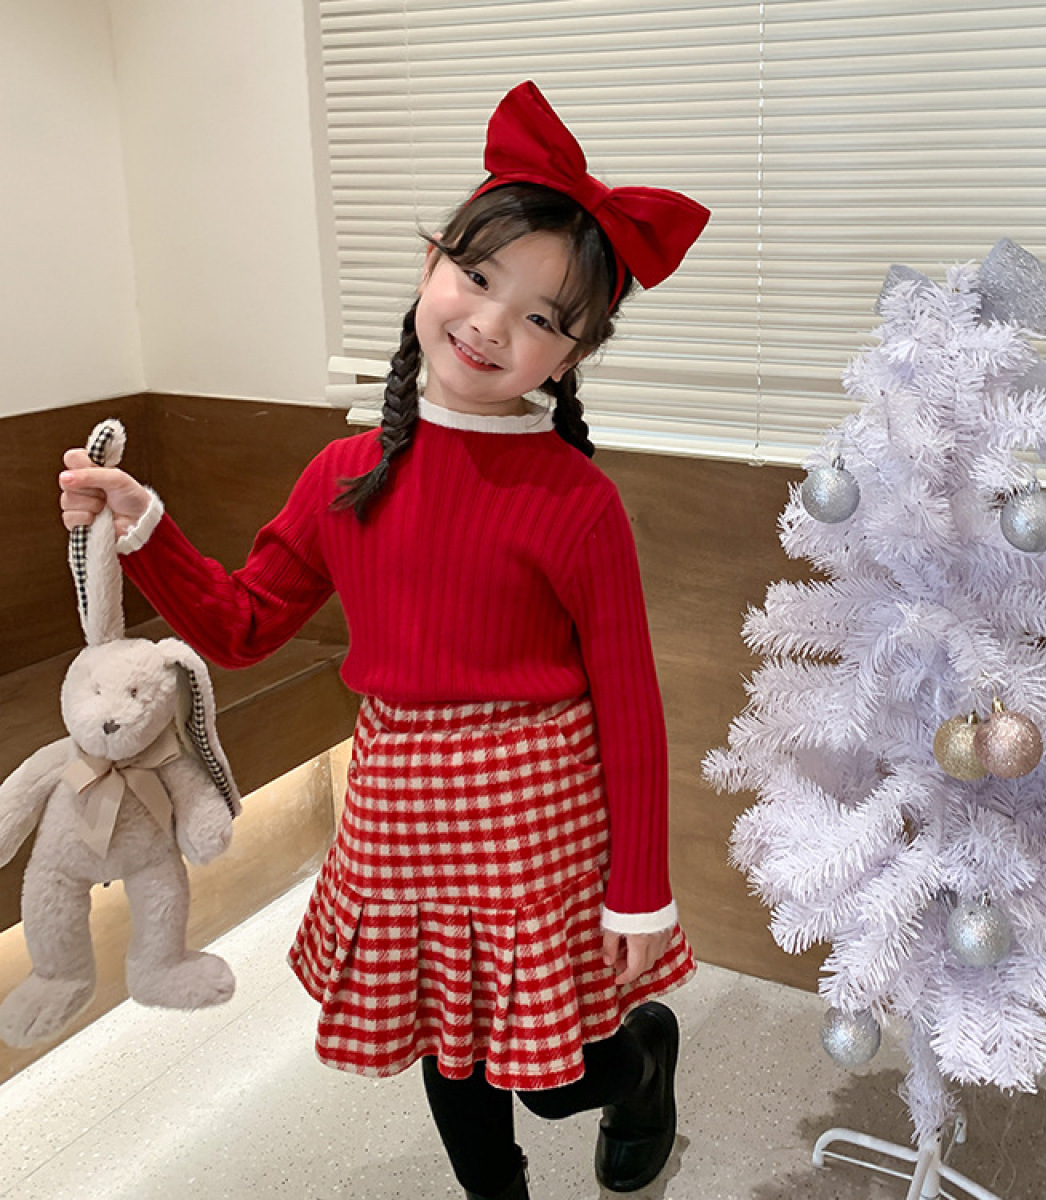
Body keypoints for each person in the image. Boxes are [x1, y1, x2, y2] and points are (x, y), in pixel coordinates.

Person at [58, 81, 709, 1200]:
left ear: (571, 355)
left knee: (556, 1080)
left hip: (539, 812)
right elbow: (243, 626)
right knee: (449, 1048)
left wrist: (638, 890)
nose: (493, 324)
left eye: (543, 318)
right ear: (429, 267)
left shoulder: (578, 502)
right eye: (478, 276)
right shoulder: (345, 474)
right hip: (399, 802)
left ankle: (643, 1061)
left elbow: (630, 703)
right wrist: (142, 527)